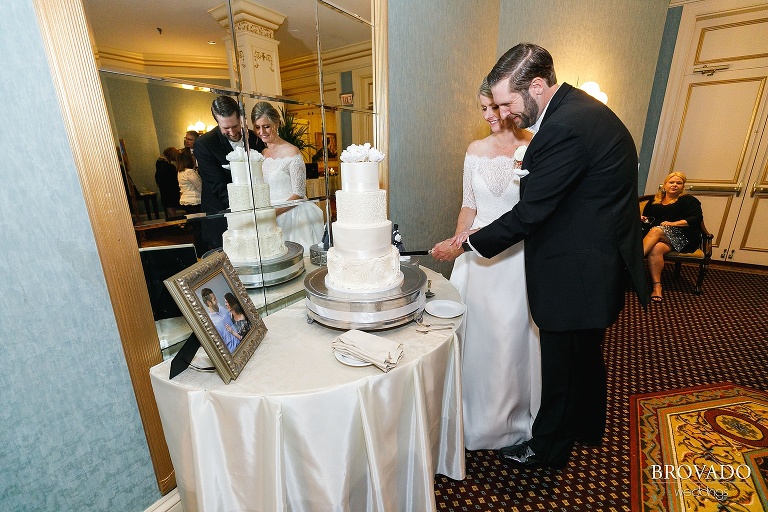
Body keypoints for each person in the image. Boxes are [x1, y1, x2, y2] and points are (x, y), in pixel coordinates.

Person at [431, 43, 648, 470]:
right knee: (584, 357)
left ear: (536, 86)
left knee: (564, 363)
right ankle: (584, 427)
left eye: (509, 102)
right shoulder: (579, 112)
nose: (505, 112)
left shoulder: (565, 127)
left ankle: (547, 447)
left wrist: (468, 243)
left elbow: (532, 211)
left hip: (577, 268)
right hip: (594, 256)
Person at [449, 78, 540, 450]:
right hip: (479, 259)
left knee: (511, 337)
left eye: (493, 107)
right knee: (476, 338)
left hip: (518, 256)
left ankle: (511, 419)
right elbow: (469, 205)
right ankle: (471, 413)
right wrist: (458, 242)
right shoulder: (475, 149)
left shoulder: (533, 145)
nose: (488, 115)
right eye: (482, 109)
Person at [251, 101, 324, 255]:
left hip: (293, 215)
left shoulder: (292, 151)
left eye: (266, 126)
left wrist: (274, 213)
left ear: (276, 124)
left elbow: (299, 193)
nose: (262, 131)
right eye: (257, 127)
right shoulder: (263, 154)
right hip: (269, 218)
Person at [194, 96, 265, 251]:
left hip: (256, 218)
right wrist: (247, 211)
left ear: (241, 118)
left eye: (235, 125)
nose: (232, 132)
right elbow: (218, 187)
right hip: (223, 218)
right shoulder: (204, 144)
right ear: (217, 122)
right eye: (226, 128)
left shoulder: (254, 138)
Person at [642, 171, 702, 303]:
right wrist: (643, 218)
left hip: (683, 237)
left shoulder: (688, 200)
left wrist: (673, 224)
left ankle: (632, 262)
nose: (675, 185)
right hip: (660, 236)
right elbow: (648, 219)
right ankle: (657, 287)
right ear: (664, 185)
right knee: (656, 248)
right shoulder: (654, 201)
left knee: (657, 230)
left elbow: (696, 218)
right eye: (671, 182)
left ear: (682, 187)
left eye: (678, 183)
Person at [200, 288, 239, 352]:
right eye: (214, 299)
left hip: (241, 339)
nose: (217, 301)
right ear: (209, 303)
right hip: (234, 351)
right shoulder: (212, 323)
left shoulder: (222, 309)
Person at [155, 146, 181, 219]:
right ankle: (174, 220)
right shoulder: (169, 166)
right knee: (170, 204)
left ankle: (173, 220)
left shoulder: (160, 162)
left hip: (164, 188)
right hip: (170, 188)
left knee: (169, 205)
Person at [177, 148, 201, 214]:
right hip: (194, 200)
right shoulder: (189, 172)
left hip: (186, 199)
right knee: (198, 222)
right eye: (192, 155)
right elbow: (199, 187)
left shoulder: (181, 171)